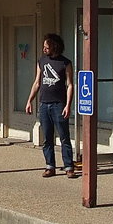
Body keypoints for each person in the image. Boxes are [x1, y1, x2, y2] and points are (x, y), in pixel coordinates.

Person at [25, 32, 76, 178]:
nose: (44, 49)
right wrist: (29, 100)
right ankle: (50, 166)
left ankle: (69, 167)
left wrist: (68, 105)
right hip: (44, 104)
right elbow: (37, 82)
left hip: (59, 104)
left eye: (46, 47)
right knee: (47, 137)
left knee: (64, 136)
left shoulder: (65, 63)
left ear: (54, 46)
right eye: (44, 47)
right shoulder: (41, 61)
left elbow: (70, 85)